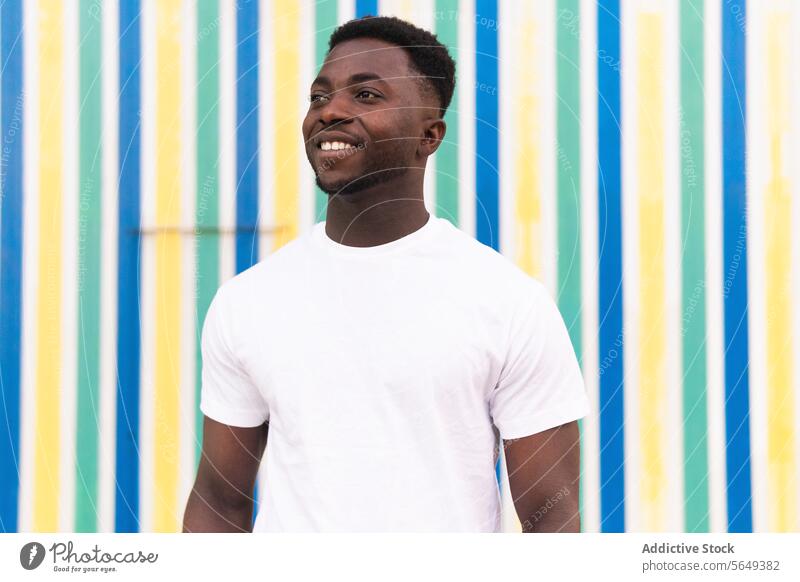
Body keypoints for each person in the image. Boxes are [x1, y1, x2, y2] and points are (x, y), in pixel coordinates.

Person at [183, 15, 589, 533]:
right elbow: (220, 501)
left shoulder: (509, 304)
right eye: (318, 96)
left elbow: (552, 521)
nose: (330, 111)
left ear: (429, 135)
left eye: (367, 96)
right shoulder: (246, 302)